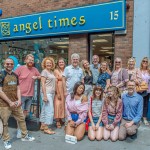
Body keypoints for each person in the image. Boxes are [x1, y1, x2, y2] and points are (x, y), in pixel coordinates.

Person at [0, 58, 35, 150]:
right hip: (4, 104)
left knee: (21, 119)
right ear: (4, 65)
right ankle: (6, 140)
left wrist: (19, 100)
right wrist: (9, 102)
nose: (9, 65)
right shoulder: (1, 74)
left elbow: (18, 89)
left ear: (13, 65)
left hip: (16, 103)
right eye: (7, 64)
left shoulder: (15, 75)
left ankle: (24, 136)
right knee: (5, 123)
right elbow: (0, 91)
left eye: (11, 64)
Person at [15, 54, 40, 138]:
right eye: (29, 60)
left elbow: (40, 76)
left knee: (25, 113)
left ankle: (22, 129)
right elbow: (13, 78)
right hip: (20, 95)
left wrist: (36, 77)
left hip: (30, 95)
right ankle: (19, 131)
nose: (31, 61)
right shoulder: (20, 68)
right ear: (25, 60)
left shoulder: (35, 69)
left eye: (32, 60)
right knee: (20, 114)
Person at [39, 57, 56, 134]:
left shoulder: (51, 72)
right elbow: (42, 84)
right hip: (47, 93)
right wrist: (45, 95)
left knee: (44, 109)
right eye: (47, 63)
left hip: (51, 93)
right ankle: (47, 128)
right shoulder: (44, 72)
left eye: (50, 63)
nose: (49, 64)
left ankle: (42, 125)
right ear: (44, 64)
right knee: (50, 110)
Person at [54, 58, 65, 128]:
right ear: (58, 64)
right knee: (57, 105)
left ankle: (61, 118)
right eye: (60, 62)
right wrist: (57, 92)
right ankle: (57, 121)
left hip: (64, 89)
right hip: (59, 89)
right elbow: (55, 81)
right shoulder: (56, 71)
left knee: (62, 105)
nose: (61, 63)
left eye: (62, 62)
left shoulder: (66, 70)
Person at [140, 57, 150, 126]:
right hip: (140, 90)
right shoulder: (139, 70)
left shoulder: (149, 71)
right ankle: (139, 118)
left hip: (148, 90)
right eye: (144, 61)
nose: (145, 62)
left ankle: (144, 118)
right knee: (140, 104)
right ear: (142, 62)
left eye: (146, 61)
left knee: (145, 104)